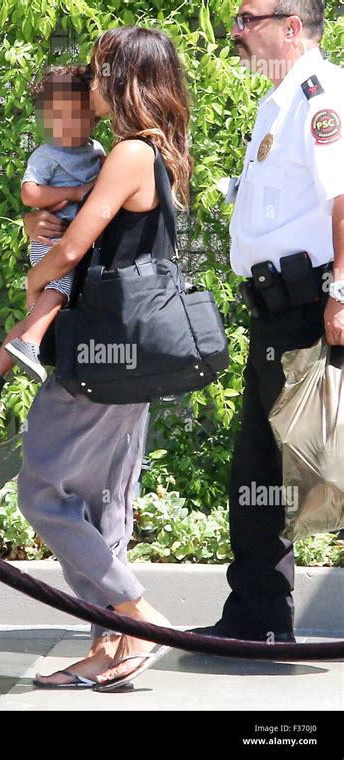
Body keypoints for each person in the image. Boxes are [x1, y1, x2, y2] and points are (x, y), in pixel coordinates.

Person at [17, 26, 193, 689]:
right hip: (133, 354)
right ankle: (114, 647)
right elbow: (85, 232)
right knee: (104, 508)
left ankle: (135, 611)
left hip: (98, 351)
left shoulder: (125, 153)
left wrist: (35, 282)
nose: (89, 87)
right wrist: (43, 223)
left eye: (97, 74)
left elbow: (72, 251)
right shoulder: (161, 152)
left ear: (123, 80)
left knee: (41, 492)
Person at [191, 0, 344, 642]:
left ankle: (257, 613)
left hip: (314, 311)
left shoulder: (320, 94)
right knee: (259, 470)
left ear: (290, 25)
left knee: (328, 461)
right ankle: (256, 617)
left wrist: (343, 293)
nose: (235, 32)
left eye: (246, 18)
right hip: (275, 314)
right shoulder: (275, 102)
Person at [0, 66, 104, 415]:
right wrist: (75, 191)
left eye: (75, 115)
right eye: (55, 118)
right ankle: (29, 344)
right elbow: (30, 194)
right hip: (54, 240)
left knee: (46, 304)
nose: (66, 126)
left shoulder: (99, 152)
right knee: (58, 289)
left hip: (72, 243)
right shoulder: (46, 154)